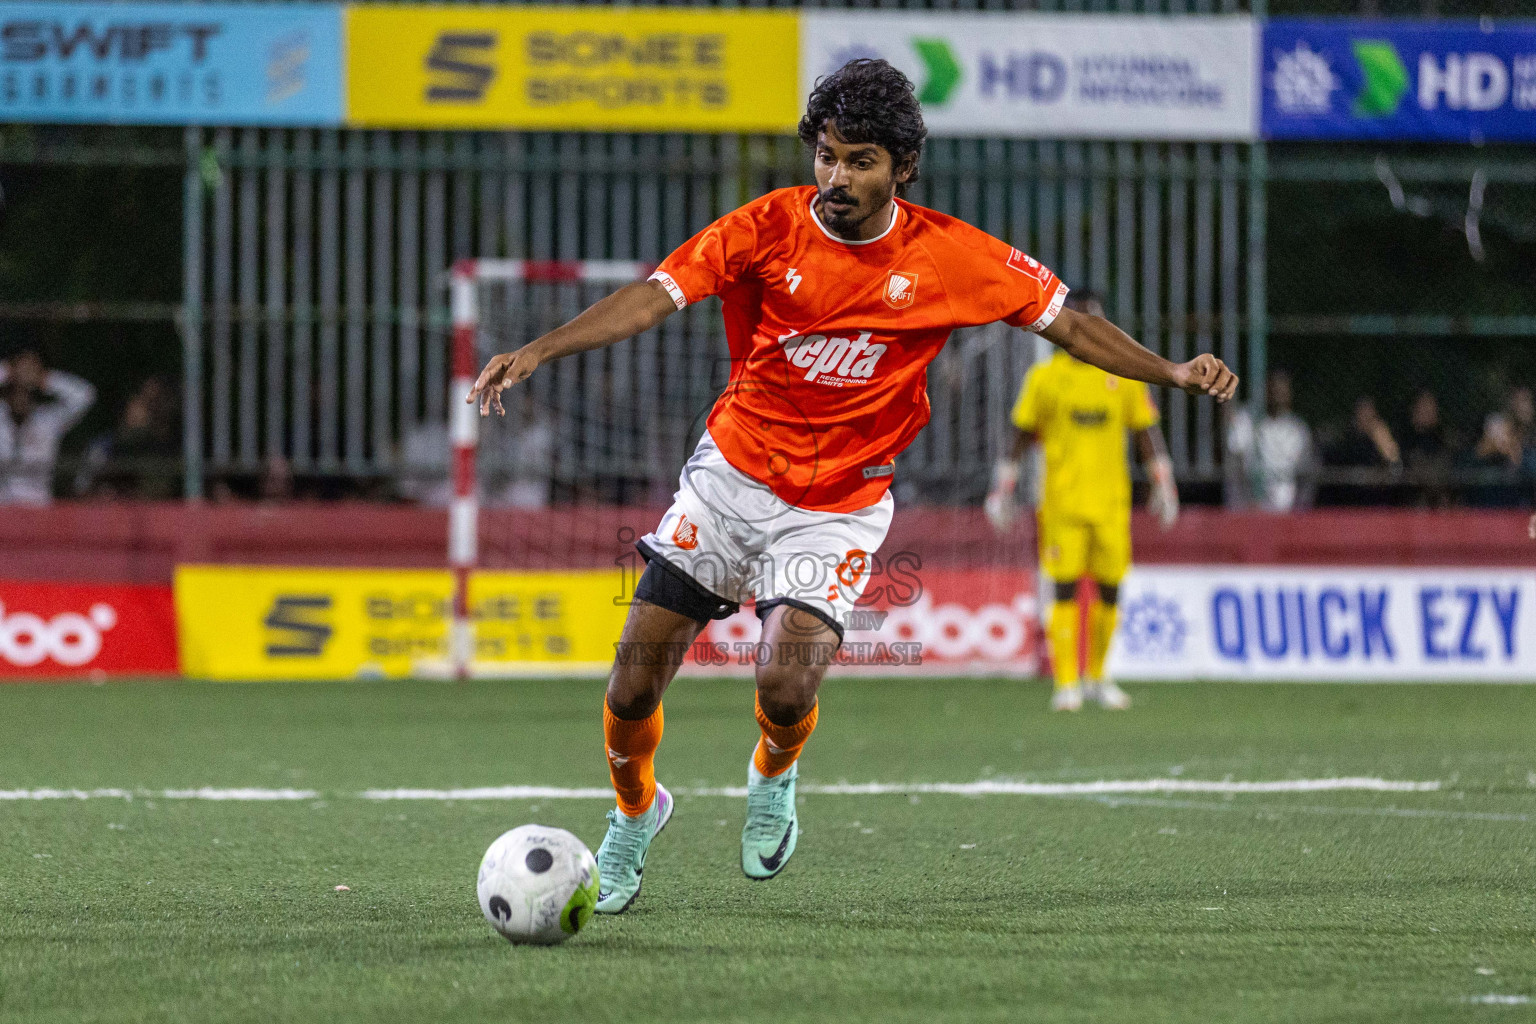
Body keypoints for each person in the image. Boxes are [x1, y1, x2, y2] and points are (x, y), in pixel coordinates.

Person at [467, 59, 1237, 914]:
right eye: (826, 156)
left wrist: (1168, 371)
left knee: (785, 686)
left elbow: (1073, 325)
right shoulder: (764, 228)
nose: (835, 177)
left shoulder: (952, 257)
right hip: (730, 478)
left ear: (902, 167)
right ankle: (636, 813)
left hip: (838, 505)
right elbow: (653, 297)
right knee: (631, 685)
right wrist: (539, 349)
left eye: (859, 160)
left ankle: (773, 775)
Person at [982, 291, 1178, 713]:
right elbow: (1020, 435)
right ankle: (1066, 681)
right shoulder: (1045, 378)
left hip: (1111, 504)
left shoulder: (1122, 375)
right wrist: (1003, 487)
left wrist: (1164, 481)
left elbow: (1146, 431)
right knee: (1065, 589)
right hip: (1062, 505)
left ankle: (1099, 677)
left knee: (1110, 589)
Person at [0, 350, 96, 505]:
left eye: (26, 393)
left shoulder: (48, 419)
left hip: (39, 505)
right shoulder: (1, 415)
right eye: (15, 391)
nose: (20, 397)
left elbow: (85, 396)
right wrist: (9, 370)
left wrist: (43, 377)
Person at [1224, 369, 1315, 513]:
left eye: (1282, 389)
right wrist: (1242, 503)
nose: (1277, 393)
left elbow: (1306, 473)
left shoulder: (1298, 429)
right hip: (1250, 508)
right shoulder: (1246, 420)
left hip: (1286, 510)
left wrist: (1299, 510)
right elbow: (1234, 463)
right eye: (1274, 388)